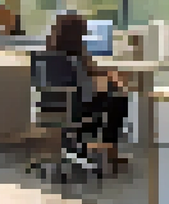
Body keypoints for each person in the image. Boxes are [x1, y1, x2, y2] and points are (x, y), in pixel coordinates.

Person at [45, 13, 129, 168]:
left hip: (51, 110)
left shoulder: (48, 55)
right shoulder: (73, 58)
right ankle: (109, 149)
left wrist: (102, 75)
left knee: (111, 94)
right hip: (77, 110)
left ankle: (83, 144)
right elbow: (87, 88)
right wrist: (110, 82)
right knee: (118, 97)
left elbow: (80, 81)